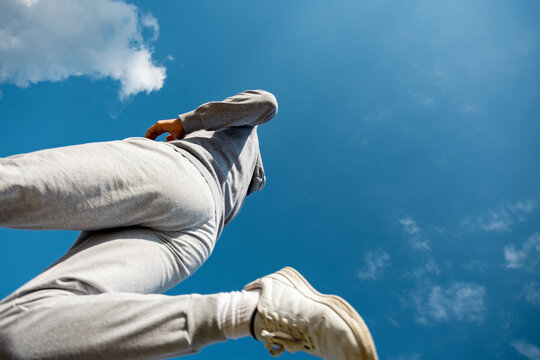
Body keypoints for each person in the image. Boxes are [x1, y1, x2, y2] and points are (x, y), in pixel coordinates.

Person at [0, 90, 378, 360]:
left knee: (10, 186)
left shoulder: (242, 133)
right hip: (197, 236)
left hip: (179, 174)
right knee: (16, 335)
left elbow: (266, 103)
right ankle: (253, 313)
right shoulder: (243, 186)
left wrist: (186, 122)